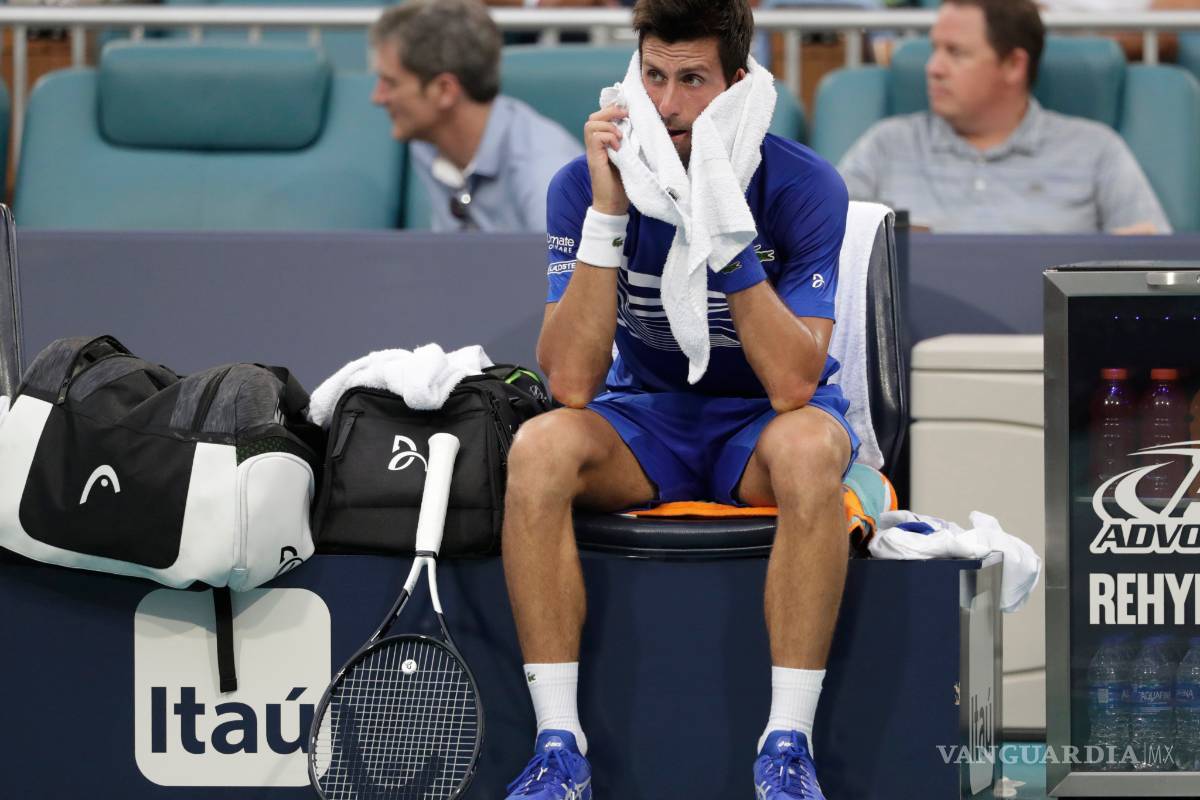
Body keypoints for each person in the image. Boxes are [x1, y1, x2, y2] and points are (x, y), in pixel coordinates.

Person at [500, 1, 855, 798]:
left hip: (764, 425)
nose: (666, 105)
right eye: (653, 76)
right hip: (648, 420)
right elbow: (572, 385)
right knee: (538, 448)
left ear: (737, 84)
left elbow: (793, 384)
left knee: (809, 448)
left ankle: (787, 746)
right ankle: (558, 747)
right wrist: (607, 214)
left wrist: (723, 228)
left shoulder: (804, 185)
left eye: (692, 80)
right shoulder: (583, 184)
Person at [838, 0, 1171, 234]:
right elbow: (819, 242)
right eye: (934, 49)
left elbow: (1152, 263)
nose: (933, 68)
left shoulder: (1096, 150)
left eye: (956, 53)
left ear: (1014, 65)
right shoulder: (886, 144)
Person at [369, 0, 583, 232]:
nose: (377, 98)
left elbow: (568, 257)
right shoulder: (426, 144)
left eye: (390, 83)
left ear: (445, 90)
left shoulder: (545, 173)